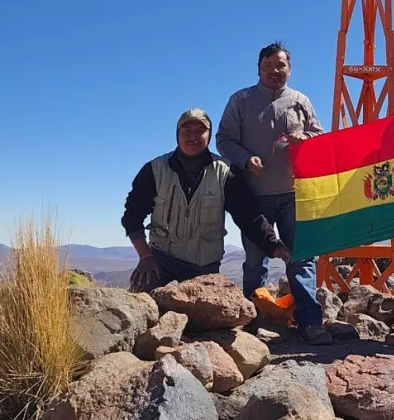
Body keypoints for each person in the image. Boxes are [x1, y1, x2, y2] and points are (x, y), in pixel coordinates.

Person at [215, 41, 331, 345]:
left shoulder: (300, 101)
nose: (274, 71)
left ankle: (310, 323)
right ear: (258, 70)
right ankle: (254, 324)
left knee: (302, 259)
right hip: (254, 197)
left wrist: (304, 137)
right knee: (255, 262)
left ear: (289, 69)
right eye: (268, 66)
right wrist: (245, 160)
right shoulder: (240, 100)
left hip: (294, 194)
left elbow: (319, 136)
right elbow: (223, 139)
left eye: (280, 65)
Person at [121, 108, 291, 293]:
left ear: (209, 136)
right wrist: (145, 257)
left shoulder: (226, 172)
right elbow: (132, 216)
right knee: (138, 303)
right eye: (186, 130)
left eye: (200, 130)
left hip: (203, 269)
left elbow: (248, 216)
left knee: (210, 310)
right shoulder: (154, 170)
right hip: (160, 263)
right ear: (177, 135)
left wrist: (273, 245)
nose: (192, 136)